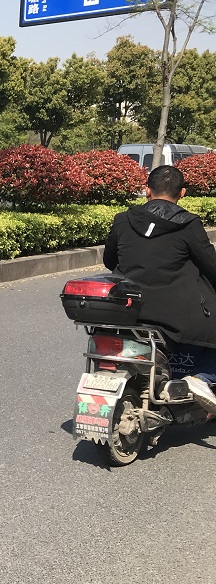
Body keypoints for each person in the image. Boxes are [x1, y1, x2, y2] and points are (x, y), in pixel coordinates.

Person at [103, 165, 216, 413]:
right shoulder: (188, 225)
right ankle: (200, 378)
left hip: (127, 309)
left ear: (146, 190)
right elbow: (211, 266)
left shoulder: (123, 220)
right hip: (175, 315)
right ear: (183, 193)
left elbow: (109, 261)